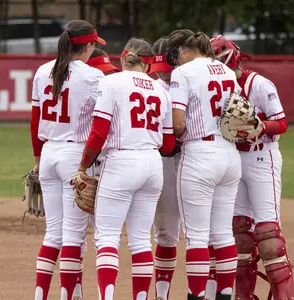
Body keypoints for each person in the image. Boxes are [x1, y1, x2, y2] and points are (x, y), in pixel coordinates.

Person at [76, 37, 175, 300]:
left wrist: (83, 167)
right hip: (153, 165)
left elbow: (98, 133)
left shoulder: (111, 82)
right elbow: (168, 144)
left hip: (121, 162)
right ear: (148, 62)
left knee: (107, 237)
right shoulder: (161, 91)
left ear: (122, 57)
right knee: (141, 239)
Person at [211, 35, 294, 300]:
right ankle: (243, 296)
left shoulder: (258, 83)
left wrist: (259, 126)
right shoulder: (218, 85)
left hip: (261, 157)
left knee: (268, 236)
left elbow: (281, 123)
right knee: (240, 236)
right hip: (235, 160)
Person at [29, 19, 106, 300]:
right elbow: (102, 124)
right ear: (86, 46)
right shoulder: (92, 77)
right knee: (73, 237)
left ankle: (40, 296)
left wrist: (38, 159)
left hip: (49, 152)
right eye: (93, 45)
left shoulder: (42, 72)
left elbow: (35, 119)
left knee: (53, 234)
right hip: (75, 155)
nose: (93, 50)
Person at [167, 29, 242, 300]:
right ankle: (223, 296)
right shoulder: (227, 72)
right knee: (223, 234)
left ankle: (196, 297)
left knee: (197, 236)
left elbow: (177, 125)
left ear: (180, 52)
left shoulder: (182, 73)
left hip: (199, 153)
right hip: (229, 153)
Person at [148, 35, 180, 300]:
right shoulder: (152, 87)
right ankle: (161, 294)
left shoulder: (191, 83)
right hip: (156, 162)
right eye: (160, 71)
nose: (164, 76)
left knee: (182, 233)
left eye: (168, 71)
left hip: (188, 163)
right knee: (161, 232)